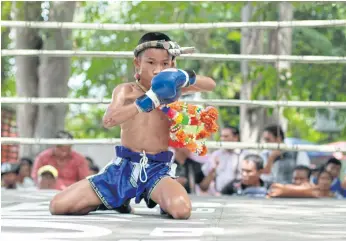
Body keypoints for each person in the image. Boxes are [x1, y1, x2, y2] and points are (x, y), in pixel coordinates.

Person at [49, 32, 216, 219]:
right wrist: (147, 101)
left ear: (172, 65)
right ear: (137, 63)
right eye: (151, 62)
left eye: (165, 64)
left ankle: (158, 198)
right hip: (122, 168)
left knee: (181, 210)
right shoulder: (125, 91)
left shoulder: (175, 90)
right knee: (59, 206)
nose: (157, 70)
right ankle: (115, 201)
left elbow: (210, 84)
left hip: (156, 169)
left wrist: (185, 76)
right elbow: (109, 120)